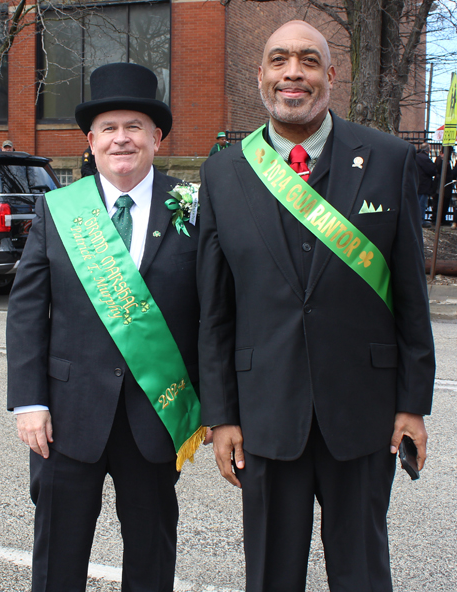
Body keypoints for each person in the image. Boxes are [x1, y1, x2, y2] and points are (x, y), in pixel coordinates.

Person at [197, 20, 435, 592]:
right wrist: (220, 415)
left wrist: (412, 402)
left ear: (330, 75)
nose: (292, 74)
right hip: (264, 414)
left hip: (365, 411)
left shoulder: (387, 157)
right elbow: (215, 308)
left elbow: (410, 294)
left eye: (307, 60)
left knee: (362, 570)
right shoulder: (222, 172)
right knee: (272, 574)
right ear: (261, 76)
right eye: (279, 61)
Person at [7, 62, 203, 592]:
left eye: (135, 127)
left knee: (151, 556)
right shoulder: (57, 210)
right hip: (67, 418)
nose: (122, 139)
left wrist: (216, 407)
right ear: (90, 141)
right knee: (57, 558)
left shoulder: (192, 209)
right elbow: (27, 312)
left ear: (157, 138)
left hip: (156, 417)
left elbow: (215, 315)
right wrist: (29, 403)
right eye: (110, 128)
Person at [415, 142, 437, 228]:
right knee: (422, 204)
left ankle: (415, 220)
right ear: (428, 150)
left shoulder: (416, 156)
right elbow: (432, 171)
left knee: (416, 203)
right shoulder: (425, 159)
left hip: (416, 183)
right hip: (423, 185)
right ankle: (420, 221)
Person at [431, 147, 454, 225]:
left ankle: (440, 219)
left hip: (443, 185)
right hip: (441, 185)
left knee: (443, 203)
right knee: (440, 203)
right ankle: (437, 219)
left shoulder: (444, 160)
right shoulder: (441, 160)